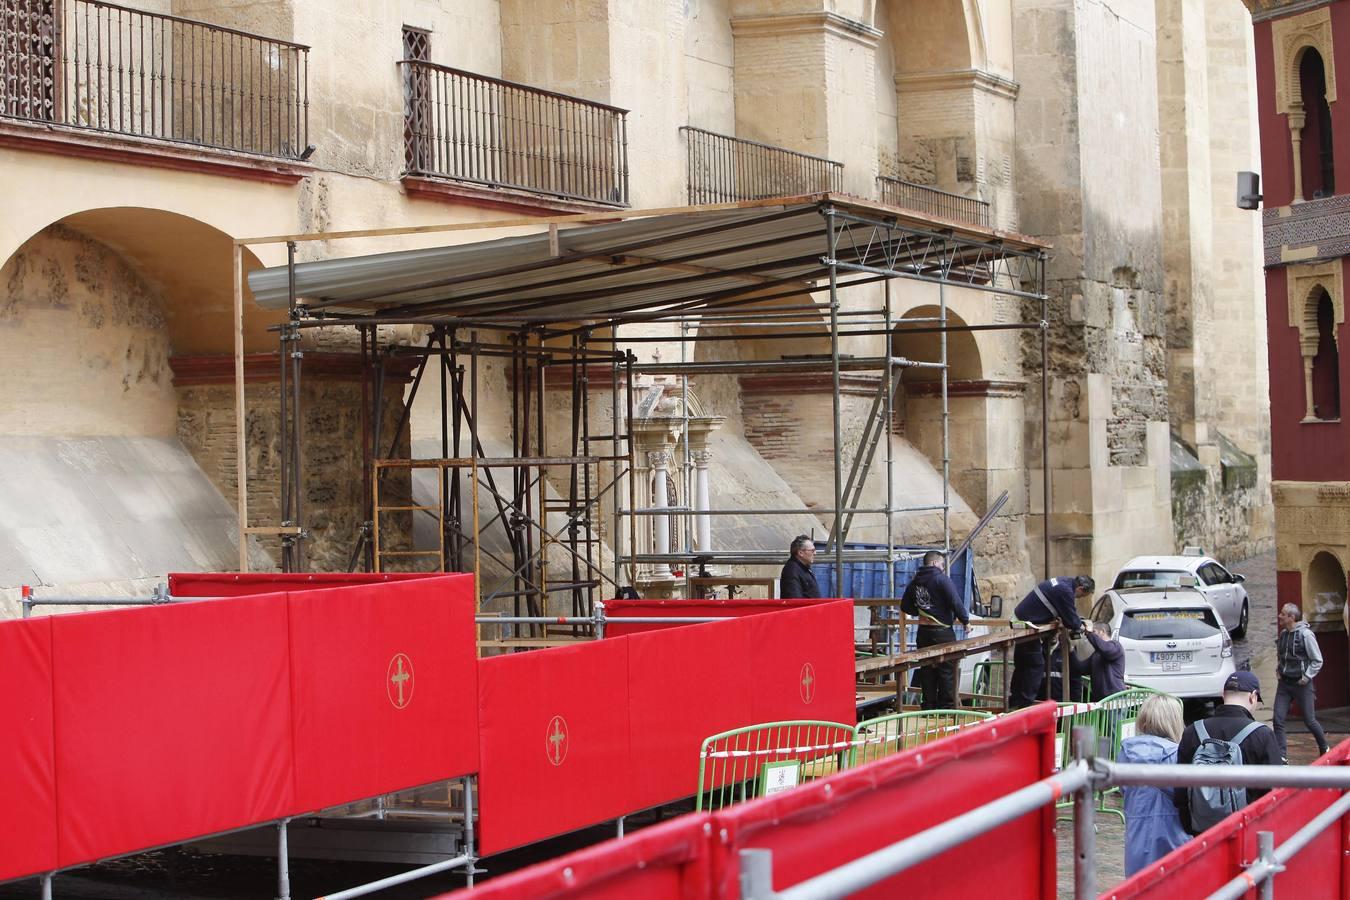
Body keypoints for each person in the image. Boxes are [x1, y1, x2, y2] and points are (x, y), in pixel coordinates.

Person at [1174, 671, 1282, 834]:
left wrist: (1190, 825)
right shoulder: (1262, 734)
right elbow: (1274, 790)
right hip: (1246, 829)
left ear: (1223, 695)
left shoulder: (1192, 731)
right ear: (1253, 697)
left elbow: (1180, 788)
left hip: (1201, 830)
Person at [1120, 693, 1190, 875]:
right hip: (1173, 836)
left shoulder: (1127, 753)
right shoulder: (1179, 755)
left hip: (1137, 837)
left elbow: (1124, 789)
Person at [1008, 575, 1094, 708]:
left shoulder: (1063, 582)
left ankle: (1014, 701)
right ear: (1081, 588)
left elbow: (1065, 611)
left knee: (1023, 664)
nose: (1079, 598)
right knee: (1035, 664)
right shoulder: (1065, 591)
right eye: (1082, 596)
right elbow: (1071, 620)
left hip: (1022, 620)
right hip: (1028, 625)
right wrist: (1082, 625)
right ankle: (1024, 705)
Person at [900, 550, 970, 710]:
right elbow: (955, 601)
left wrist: (921, 612)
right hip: (942, 631)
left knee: (927, 670)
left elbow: (905, 606)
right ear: (934, 563)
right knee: (947, 670)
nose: (942, 567)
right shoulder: (941, 579)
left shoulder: (914, 582)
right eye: (941, 564)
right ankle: (946, 708)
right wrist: (965, 621)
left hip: (923, 632)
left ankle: (928, 707)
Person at [1273, 602, 1329, 760]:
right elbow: (1281, 654)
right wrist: (1278, 670)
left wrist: (1306, 677)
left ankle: (1324, 747)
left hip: (1301, 685)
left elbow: (1317, 660)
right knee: (1278, 719)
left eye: (1283, 614)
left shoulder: (1306, 635)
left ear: (1291, 617)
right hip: (1284, 684)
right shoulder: (1284, 634)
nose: (1279, 616)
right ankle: (1282, 756)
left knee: (1309, 720)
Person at [1080, 618, 1126, 701]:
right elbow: (1079, 668)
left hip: (1115, 701)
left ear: (1102, 631)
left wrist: (1089, 633)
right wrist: (1071, 650)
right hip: (1101, 701)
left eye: (1094, 631)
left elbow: (1106, 650)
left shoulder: (1115, 646)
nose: (1089, 635)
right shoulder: (1096, 654)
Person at [778, 535, 820, 599]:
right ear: (800, 553)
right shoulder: (792, 571)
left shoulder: (803, 568)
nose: (815, 553)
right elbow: (795, 599)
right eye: (812, 550)